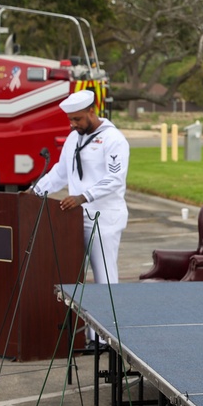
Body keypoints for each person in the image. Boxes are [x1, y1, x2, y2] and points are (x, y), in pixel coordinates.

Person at [33, 89, 130, 288]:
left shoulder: (114, 139)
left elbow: (115, 178)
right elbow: (61, 172)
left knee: (105, 277)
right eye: (70, 120)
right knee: (71, 273)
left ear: (91, 112)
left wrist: (83, 197)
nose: (73, 124)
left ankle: (111, 318)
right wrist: (34, 191)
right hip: (75, 218)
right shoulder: (73, 138)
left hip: (104, 219)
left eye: (77, 119)